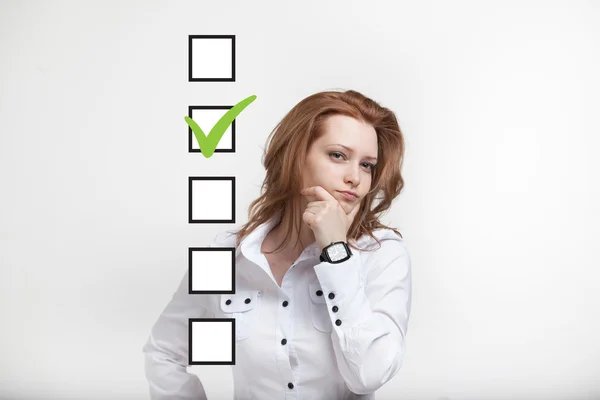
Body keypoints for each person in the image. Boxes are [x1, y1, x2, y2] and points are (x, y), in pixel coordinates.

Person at [142, 89, 412, 399]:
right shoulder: (229, 257)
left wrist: (337, 251)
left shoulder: (381, 255)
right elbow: (164, 353)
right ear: (295, 157)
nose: (355, 177)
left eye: (367, 165)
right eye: (338, 155)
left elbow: (368, 376)